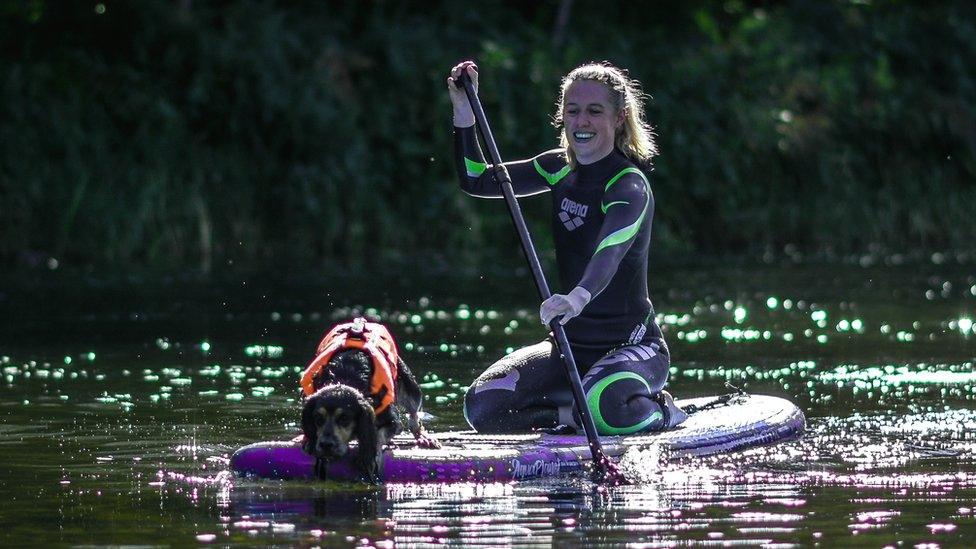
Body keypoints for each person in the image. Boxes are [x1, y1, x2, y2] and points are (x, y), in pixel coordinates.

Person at [447, 60, 688, 435]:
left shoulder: (628, 186)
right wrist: (464, 111)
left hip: (632, 347)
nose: (582, 122)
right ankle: (572, 417)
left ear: (619, 117)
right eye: (573, 111)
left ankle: (662, 410)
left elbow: (610, 250)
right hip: (569, 345)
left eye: (595, 111)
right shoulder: (556, 168)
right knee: (483, 405)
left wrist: (575, 298)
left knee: (605, 407)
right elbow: (476, 179)